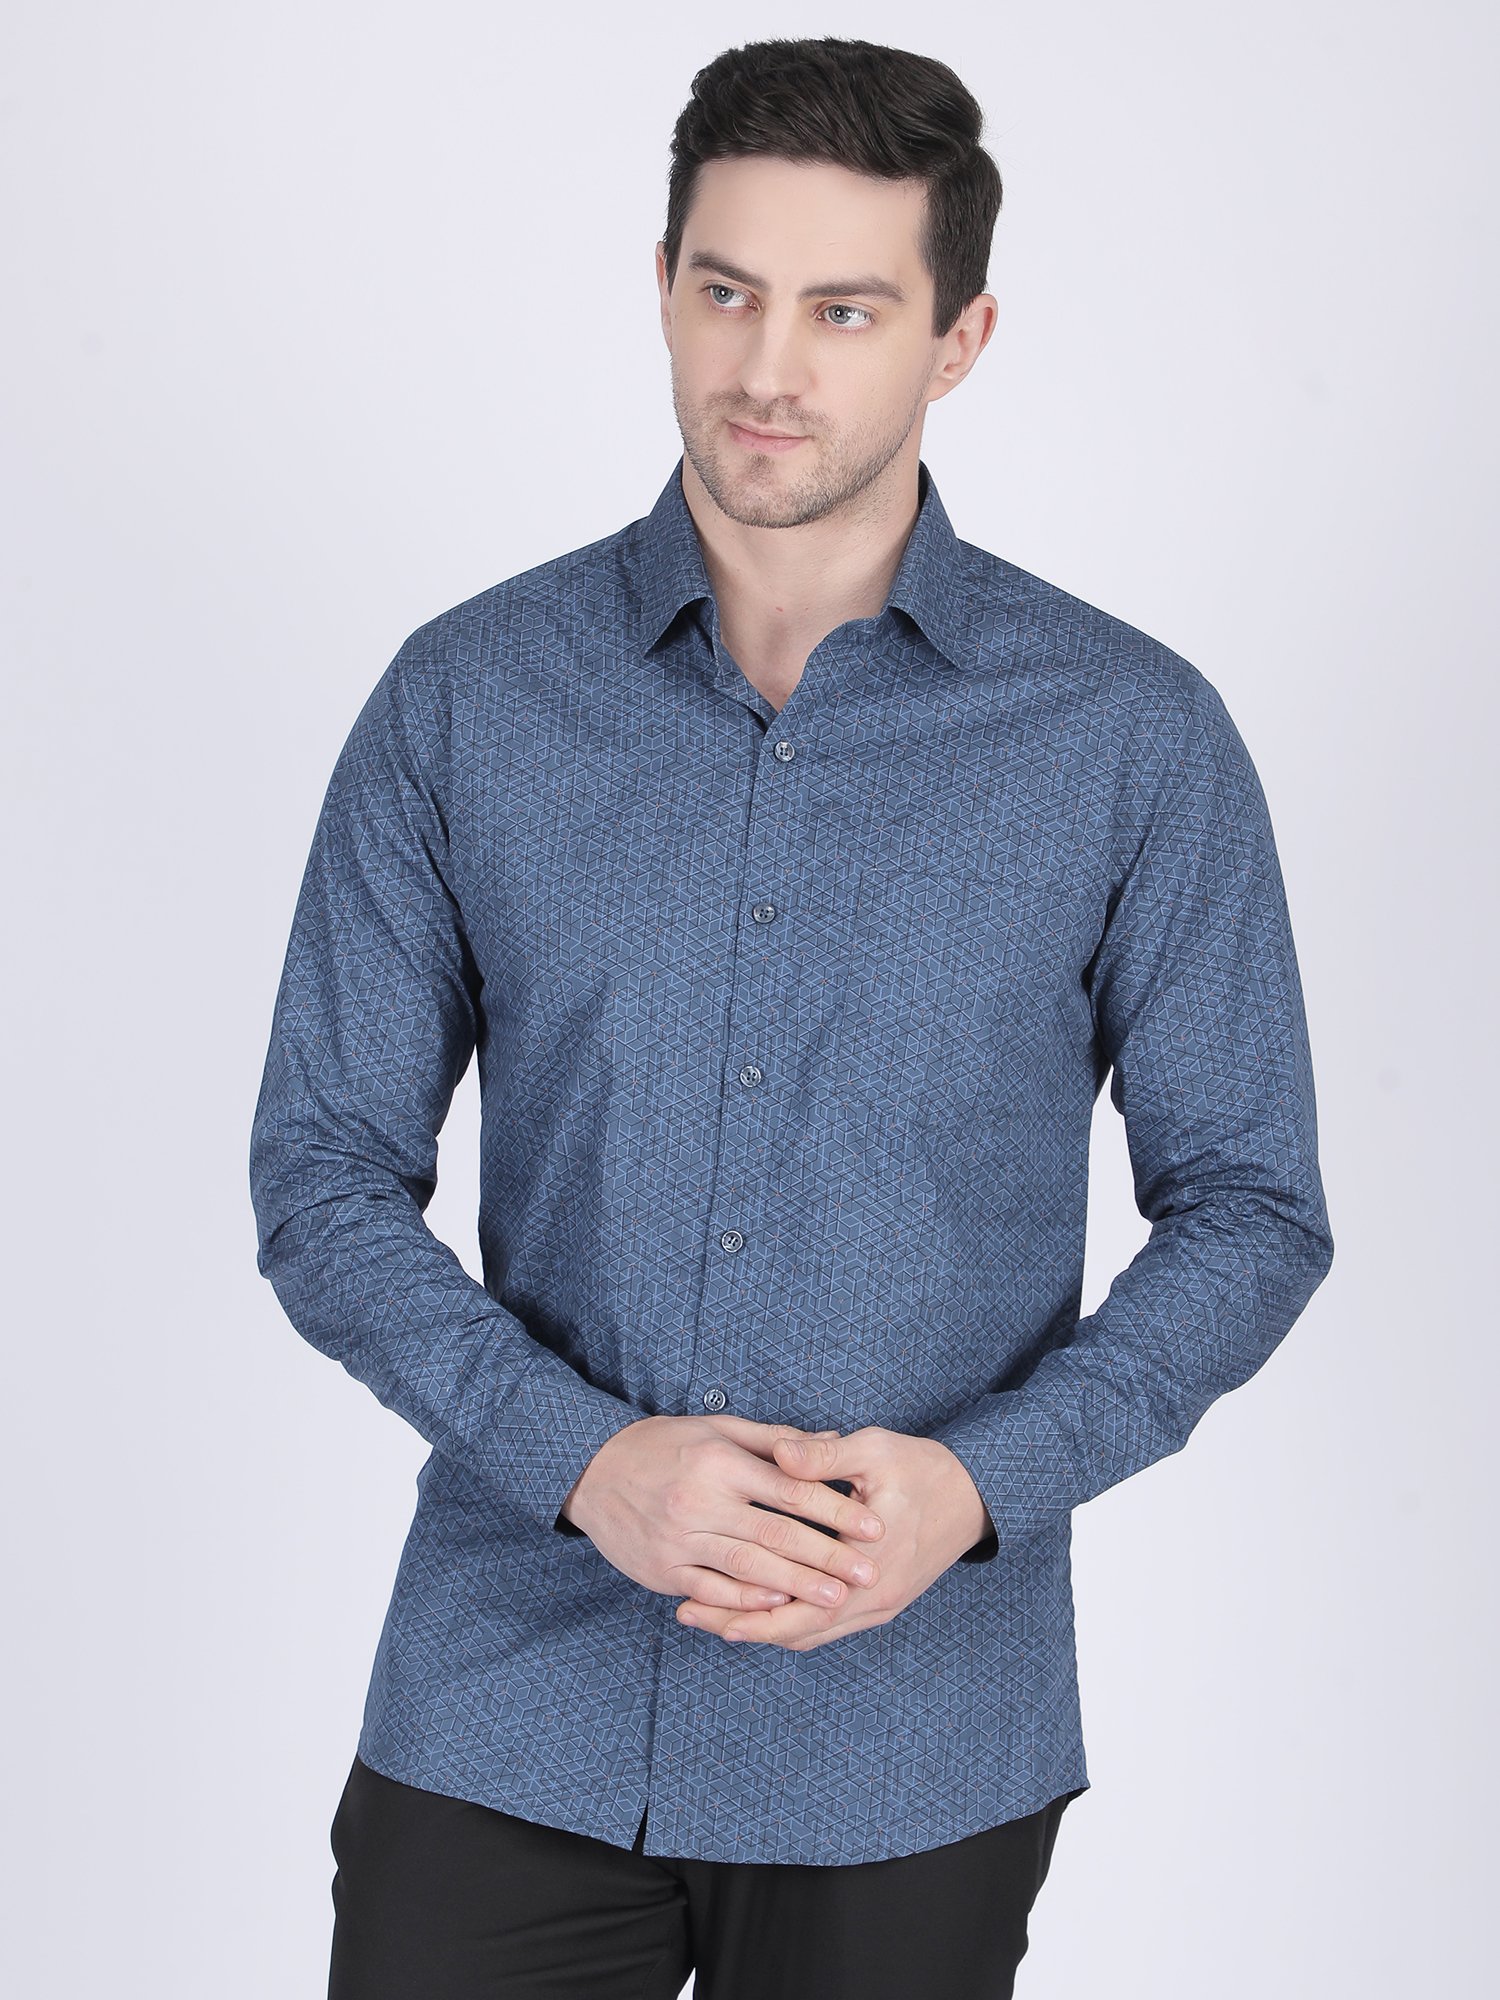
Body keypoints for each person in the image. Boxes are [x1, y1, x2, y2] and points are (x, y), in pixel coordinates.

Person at [249, 33, 1335, 2000]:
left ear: (958, 338)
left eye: (845, 310)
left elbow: (1252, 1210)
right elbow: (322, 1173)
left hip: (914, 1731)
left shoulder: (1133, 740)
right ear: (664, 288)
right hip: (507, 1697)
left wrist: (982, 1485)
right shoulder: (464, 702)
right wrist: (580, 1458)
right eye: (727, 290)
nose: (768, 367)